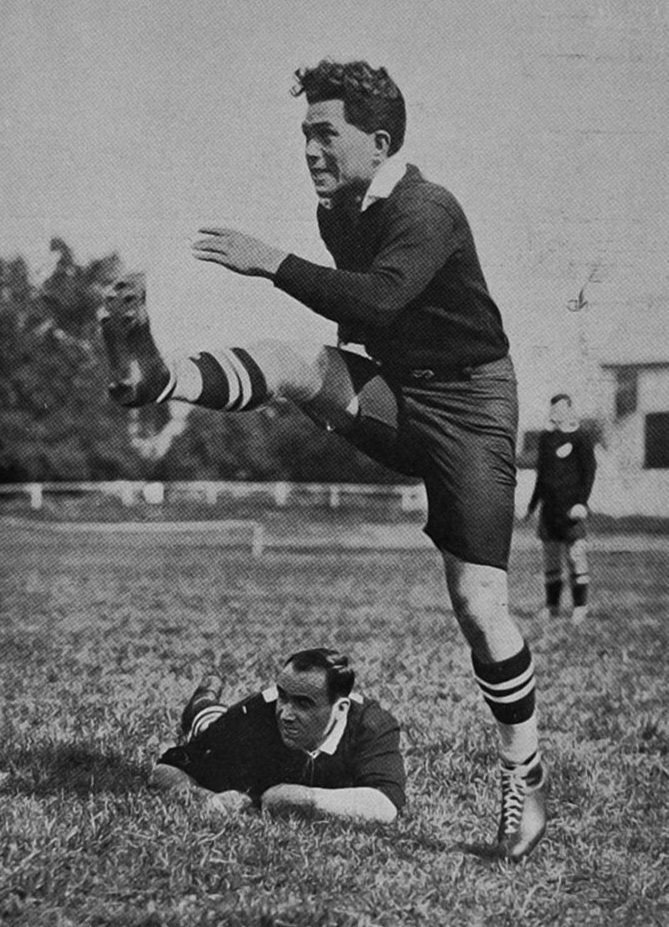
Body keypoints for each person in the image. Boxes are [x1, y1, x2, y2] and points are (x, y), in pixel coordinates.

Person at [100, 59, 546, 859]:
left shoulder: (427, 205)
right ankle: (157, 377)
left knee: (480, 607)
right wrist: (335, 388)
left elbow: (377, 299)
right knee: (296, 361)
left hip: (474, 409)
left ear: (378, 142)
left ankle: (524, 772)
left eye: (324, 132)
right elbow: (361, 322)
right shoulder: (339, 205)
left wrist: (270, 261)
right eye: (304, 132)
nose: (308, 148)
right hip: (402, 391)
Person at [150, 648, 405, 824]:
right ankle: (203, 700)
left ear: (340, 709)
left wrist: (305, 800)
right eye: (282, 696)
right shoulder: (256, 713)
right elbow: (164, 769)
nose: (285, 714)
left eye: (303, 704)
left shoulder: (372, 725)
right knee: (206, 723)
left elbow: (385, 803)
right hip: (222, 725)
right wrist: (207, 798)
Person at [526, 393, 597, 624]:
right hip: (550, 510)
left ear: (570, 410)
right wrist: (532, 505)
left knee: (576, 556)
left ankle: (580, 607)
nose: (557, 413)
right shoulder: (546, 438)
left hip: (571, 508)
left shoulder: (581, 437)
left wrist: (581, 502)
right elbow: (541, 475)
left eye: (561, 408)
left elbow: (589, 473)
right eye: (553, 409)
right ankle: (552, 606)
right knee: (550, 559)